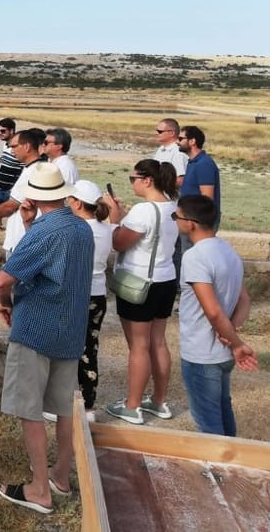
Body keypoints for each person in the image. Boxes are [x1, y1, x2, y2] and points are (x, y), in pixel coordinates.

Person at [0, 163, 93, 515]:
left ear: (32, 196)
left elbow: (5, 279)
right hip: (70, 326)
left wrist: (4, 304)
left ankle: (38, 489)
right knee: (64, 406)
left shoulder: (43, 231)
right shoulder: (82, 228)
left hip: (36, 325)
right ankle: (60, 476)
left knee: (28, 408)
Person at [102, 159, 179, 425]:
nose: (131, 182)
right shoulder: (172, 206)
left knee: (138, 346)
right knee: (158, 342)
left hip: (138, 283)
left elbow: (118, 243)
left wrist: (114, 221)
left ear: (147, 180)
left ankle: (132, 406)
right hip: (166, 279)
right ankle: (158, 401)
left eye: (133, 178)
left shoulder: (143, 211)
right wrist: (123, 218)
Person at [176, 194, 258, 436]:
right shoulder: (228, 251)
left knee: (208, 425)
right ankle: (232, 467)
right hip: (223, 354)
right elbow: (244, 299)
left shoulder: (195, 257)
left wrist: (233, 340)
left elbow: (212, 311)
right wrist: (231, 335)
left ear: (190, 223)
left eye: (176, 216)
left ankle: (219, 473)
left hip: (201, 354)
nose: (175, 221)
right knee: (223, 411)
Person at [66, 181, 116, 421]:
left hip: (75, 293)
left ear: (76, 202)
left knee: (64, 348)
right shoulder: (106, 229)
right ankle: (88, 406)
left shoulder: (74, 230)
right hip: (97, 293)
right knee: (89, 349)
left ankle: (62, 401)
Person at [0, 128, 45, 253]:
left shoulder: (32, 171)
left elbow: (11, 205)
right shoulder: (39, 168)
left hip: (20, 240)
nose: (12, 151)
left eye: (14, 147)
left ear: (27, 146)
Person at [178, 126, 221, 225]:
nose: (177, 142)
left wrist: (197, 223)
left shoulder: (204, 164)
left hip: (198, 222)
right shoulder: (193, 162)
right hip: (189, 219)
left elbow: (207, 199)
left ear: (192, 141)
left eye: (181, 139)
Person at [152, 117, 188, 189]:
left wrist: (158, 183)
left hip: (172, 199)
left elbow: (180, 180)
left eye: (160, 131)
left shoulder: (178, 152)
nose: (156, 133)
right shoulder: (161, 149)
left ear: (172, 133)